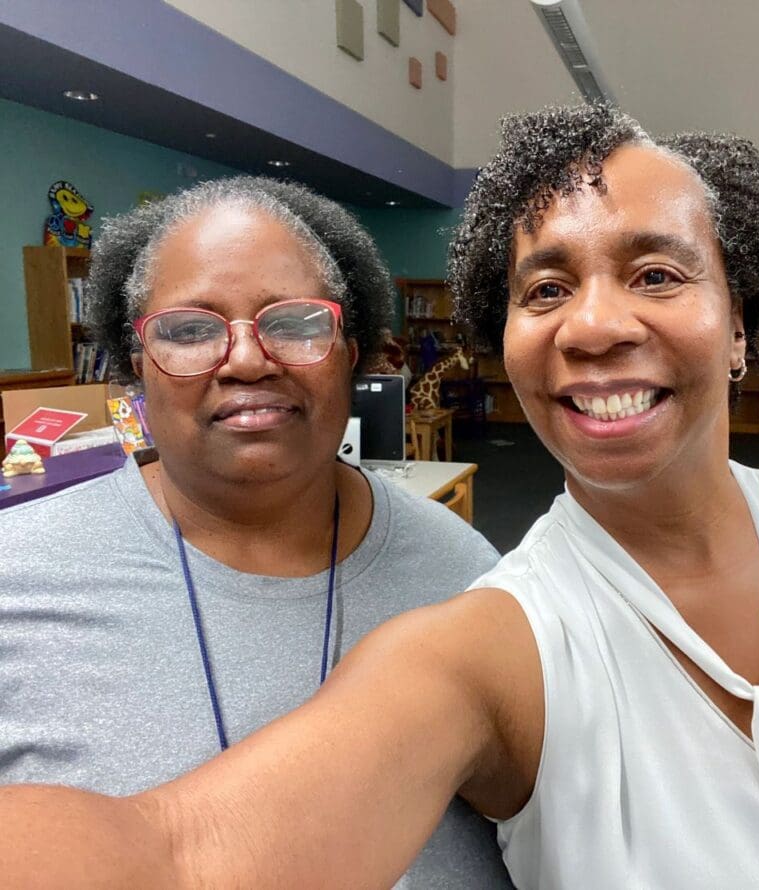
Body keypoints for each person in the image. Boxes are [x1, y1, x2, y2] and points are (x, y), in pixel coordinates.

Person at [2, 107, 759, 889]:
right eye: (543, 289)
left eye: (658, 272)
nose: (593, 324)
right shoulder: (489, 637)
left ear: (742, 318)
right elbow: (178, 851)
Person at [0, 176, 512, 887]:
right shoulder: (16, 580)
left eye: (295, 322)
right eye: (188, 329)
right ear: (135, 366)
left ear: (350, 351)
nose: (245, 359)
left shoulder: (467, 576)